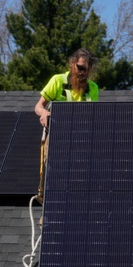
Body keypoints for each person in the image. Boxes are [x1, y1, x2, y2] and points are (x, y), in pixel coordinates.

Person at [34, 48, 99, 203]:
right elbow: (38, 106)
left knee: (79, 180)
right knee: (54, 176)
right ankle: (49, 209)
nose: (83, 73)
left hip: (81, 141)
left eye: (87, 70)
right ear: (72, 64)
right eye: (81, 68)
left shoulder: (92, 89)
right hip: (58, 139)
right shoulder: (58, 80)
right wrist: (43, 113)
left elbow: (94, 118)